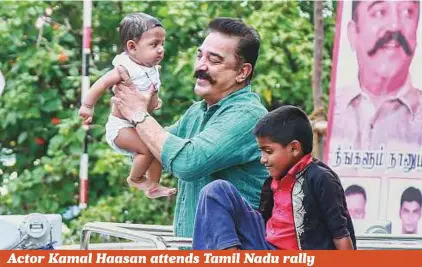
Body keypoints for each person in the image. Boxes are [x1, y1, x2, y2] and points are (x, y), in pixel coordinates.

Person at [112, 17, 268, 238]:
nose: (200, 66)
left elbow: (188, 162)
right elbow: (151, 148)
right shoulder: (197, 112)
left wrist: (138, 114)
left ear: (242, 72)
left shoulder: (248, 115)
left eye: (213, 60)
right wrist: (119, 117)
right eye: (199, 56)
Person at [192, 106, 357, 250]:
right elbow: (262, 221)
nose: (262, 159)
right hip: (266, 248)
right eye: (261, 151)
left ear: (294, 148)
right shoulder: (272, 181)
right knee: (215, 191)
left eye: (268, 151)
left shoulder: (321, 178)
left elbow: (340, 232)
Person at [78, 13, 176, 199]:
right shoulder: (125, 68)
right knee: (146, 149)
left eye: (162, 44)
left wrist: (155, 101)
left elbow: (149, 93)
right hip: (120, 128)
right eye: (154, 44)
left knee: (157, 149)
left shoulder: (152, 68)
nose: (161, 50)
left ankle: (153, 186)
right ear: (132, 47)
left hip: (137, 124)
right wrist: (87, 105)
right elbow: (101, 83)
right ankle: (135, 178)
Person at [330, 0, 422, 151]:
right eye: (379, 12)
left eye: (406, 12)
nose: (395, 26)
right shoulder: (331, 111)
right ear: (353, 33)